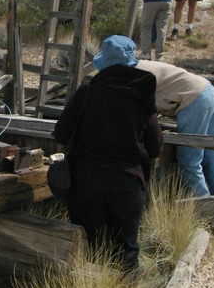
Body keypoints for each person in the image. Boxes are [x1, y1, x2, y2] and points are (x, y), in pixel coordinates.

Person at [53, 36, 162, 272]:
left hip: (85, 182)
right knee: (127, 249)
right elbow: (156, 147)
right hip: (127, 183)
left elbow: (61, 133)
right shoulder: (142, 98)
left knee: (90, 247)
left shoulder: (87, 93)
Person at [135, 58, 214, 198]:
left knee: (189, 160)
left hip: (193, 100)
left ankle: (205, 205)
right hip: (207, 90)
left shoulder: (135, 76)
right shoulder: (143, 65)